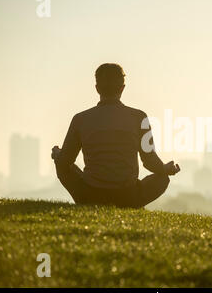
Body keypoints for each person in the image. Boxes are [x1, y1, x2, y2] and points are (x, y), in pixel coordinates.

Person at [51, 63, 179, 208]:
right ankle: (132, 204)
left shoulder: (80, 119)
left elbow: (64, 162)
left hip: (90, 194)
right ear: (122, 88)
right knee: (162, 178)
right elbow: (149, 161)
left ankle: (87, 203)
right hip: (128, 196)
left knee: (61, 164)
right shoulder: (139, 117)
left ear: (97, 88)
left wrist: (58, 154)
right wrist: (165, 169)